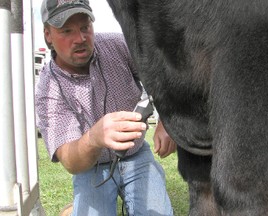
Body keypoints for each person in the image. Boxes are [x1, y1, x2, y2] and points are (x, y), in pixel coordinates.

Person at [36, 0, 176, 215]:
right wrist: (94, 137)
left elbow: (159, 77)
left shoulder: (117, 44)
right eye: (66, 31)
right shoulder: (49, 88)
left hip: (136, 154)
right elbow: (70, 161)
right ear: (48, 35)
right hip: (90, 169)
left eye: (85, 27)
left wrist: (166, 121)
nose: (80, 39)